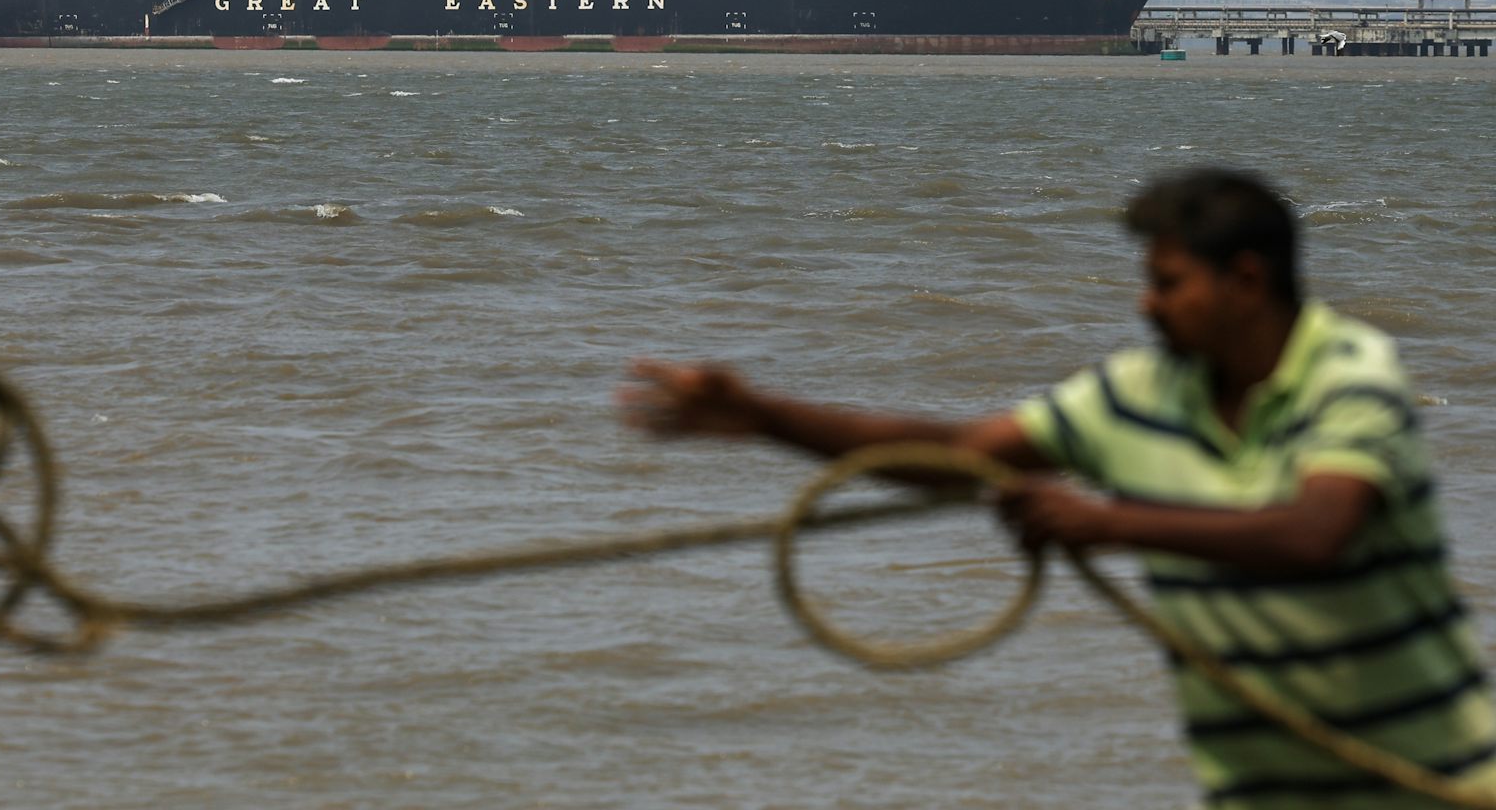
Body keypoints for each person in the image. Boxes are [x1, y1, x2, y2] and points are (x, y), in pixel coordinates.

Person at [620, 168, 1495, 808]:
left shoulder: (1349, 373)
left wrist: (1108, 523)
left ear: (1247, 282)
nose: (1146, 308)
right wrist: (762, 415)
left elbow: (1317, 531)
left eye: (1167, 285)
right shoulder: (1135, 396)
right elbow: (959, 453)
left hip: (1436, 785)